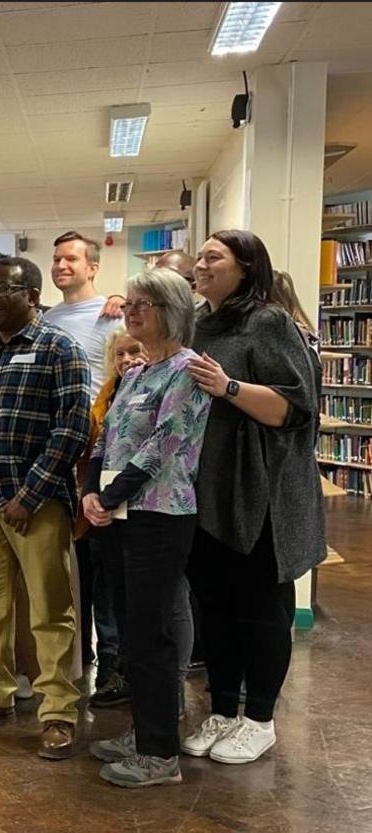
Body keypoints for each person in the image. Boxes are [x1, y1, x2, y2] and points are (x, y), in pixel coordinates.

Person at [179, 230, 324, 765]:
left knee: (262, 609)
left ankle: (259, 718)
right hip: (205, 488)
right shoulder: (197, 323)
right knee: (215, 606)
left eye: (213, 257)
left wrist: (230, 387)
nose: (200, 264)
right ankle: (221, 709)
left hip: (260, 490)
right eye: (199, 256)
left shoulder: (268, 321)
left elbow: (296, 407)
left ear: (245, 267)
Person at [0, 256, 89, 761]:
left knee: (50, 610)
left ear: (32, 296)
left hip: (36, 503)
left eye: (2, 292)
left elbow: (72, 428)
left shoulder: (58, 348)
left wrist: (31, 493)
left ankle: (58, 711)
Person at [81, 268, 212, 787]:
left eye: (144, 304)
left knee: (150, 634)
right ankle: (143, 730)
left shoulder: (189, 370)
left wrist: (109, 494)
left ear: (172, 310)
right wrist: (92, 491)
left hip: (159, 515)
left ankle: (160, 755)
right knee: (130, 631)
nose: (130, 311)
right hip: (115, 514)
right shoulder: (134, 373)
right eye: (129, 303)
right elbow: (104, 438)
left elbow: (166, 442)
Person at [44, 232, 124, 680]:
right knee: (72, 561)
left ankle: (112, 658)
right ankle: (80, 655)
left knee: (104, 558)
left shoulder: (112, 314)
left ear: (92, 266)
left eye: (71, 258)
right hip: (61, 452)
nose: (61, 265)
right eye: (56, 259)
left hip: (101, 452)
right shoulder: (49, 318)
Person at [85, 328, 148, 709]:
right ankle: (111, 666)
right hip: (104, 510)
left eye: (135, 351)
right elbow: (98, 444)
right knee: (106, 589)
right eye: (120, 355)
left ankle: (141, 676)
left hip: (144, 507)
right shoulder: (106, 396)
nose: (127, 361)